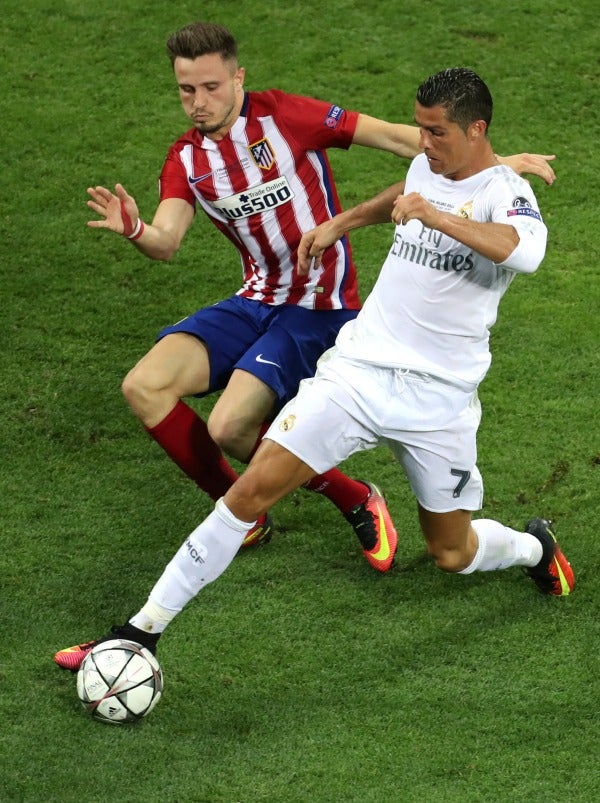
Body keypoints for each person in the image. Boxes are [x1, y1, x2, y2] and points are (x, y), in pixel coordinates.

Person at [55, 67, 573, 673]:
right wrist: (342, 221)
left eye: (435, 133)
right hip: (357, 373)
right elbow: (402, 191)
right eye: (422, 128)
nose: (422, 142)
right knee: (246, 494)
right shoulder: (427, 168)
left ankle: (535, 547)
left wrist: (434, 216)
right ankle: (138, 633)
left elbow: (527, 251)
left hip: (441, 399)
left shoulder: (506, 192)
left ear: (476, 129)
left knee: (452, 552)